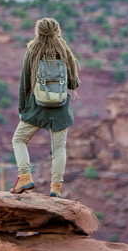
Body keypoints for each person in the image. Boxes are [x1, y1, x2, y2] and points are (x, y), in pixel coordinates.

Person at [10, 17, 80, 198]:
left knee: (19, 140)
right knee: (58, 148)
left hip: (37, 107)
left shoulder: (32, 52)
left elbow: (24, 85)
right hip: (61, 109)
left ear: (38, 32)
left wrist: (22, 109)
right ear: (57, 31)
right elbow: (73, 84)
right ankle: (55, 189)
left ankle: (25, 177)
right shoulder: (65, 52)